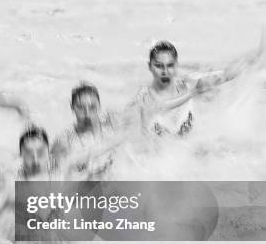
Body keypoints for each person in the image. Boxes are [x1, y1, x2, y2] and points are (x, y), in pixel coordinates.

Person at [130, 34, 266, 137]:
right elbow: (160, 105)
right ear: (150, 67)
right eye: (159, 66)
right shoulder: (144, 95)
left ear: (176, 65)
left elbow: (224, 75)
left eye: (170, 65)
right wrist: (192, 93)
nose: (165, 71)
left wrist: (255, 59)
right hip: (153, 162)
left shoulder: (187, 84)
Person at [52, 83, 125, 181]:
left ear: (99, 106)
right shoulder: (64, 140)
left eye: (92, 107)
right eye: (81, 107)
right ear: (72, 107)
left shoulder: (112, 124)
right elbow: (59, 177)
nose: (87, 113)